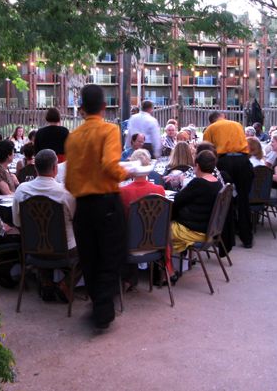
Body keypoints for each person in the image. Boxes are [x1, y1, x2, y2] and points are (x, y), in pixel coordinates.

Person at [65, 84, 133, 330]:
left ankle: (98, 304)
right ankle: (103, 308)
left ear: (81, 109)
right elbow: (109, 165)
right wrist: (127, 171)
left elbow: (69, 181)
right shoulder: (108, 130)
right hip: (106, 202)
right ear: (104, 107)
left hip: (82, 205)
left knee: (90, 256)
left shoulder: (73, 137)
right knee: (111, 254)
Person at [12, 149, 77, 302]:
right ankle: (65, 283)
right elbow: (76, 220)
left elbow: (17, 223)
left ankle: (46, 282)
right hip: (64, 251)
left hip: (33, 249)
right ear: (56, 168)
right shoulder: (66, 193)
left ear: (35, 168)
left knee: (42, 238)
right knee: (89, 248)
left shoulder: (22, 190)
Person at [203, 111, 254, 248]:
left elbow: (206, 151)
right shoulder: (237, 125)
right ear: (223, 116)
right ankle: (247, 238)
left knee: (224, 201)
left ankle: (226, 240)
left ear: (212, 121)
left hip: (224, 162)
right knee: (244, 200)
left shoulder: (211, 129)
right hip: (243, 161)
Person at [168, 150, 222, 271]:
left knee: (160, 229)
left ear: (197, 166)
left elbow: (178, 199)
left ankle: (166, 271)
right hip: (208, 230)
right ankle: (182, 263)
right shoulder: (217, 183)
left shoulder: (199, 183)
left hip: (194, 231)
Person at [119, 149, 165, 290]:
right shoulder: (160, 190)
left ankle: (127, 279)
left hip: (129, 245)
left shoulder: (123, 192)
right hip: (156, 243)